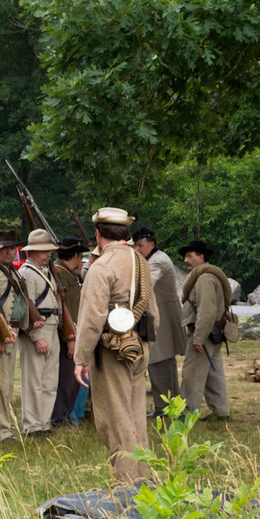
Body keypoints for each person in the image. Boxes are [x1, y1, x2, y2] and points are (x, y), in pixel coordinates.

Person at [74, 207, 158, 485]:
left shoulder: (102, 266)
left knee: (116, 420)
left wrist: (81, 358)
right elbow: (153, 312)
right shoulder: (140, 261)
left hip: (112, 349)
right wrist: (144, 344)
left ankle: (126, 486)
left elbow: (92, 318)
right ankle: (144, 482)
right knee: (136, 418)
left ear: (98, 234)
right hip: (139, 344)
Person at [132, 226, 185, 416]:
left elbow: (146, 284)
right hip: (161, 317)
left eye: (140, 245)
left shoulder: (157, 261)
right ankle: (169, 406)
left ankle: (164, 408)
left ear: (151, 244)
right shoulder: (152, 258)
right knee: (162, 363)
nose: (137, 249)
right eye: (135, 245)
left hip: (163, 319)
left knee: (159, 361)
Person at [0, 229, 33, 443]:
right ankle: (2, 431)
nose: (8, 252)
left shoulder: (10, 270)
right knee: (0, 385)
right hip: (3, 335)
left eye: (11, 248)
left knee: (5, 384)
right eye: (3, 248)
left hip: (13, 332)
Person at [178, 240, 231, 421]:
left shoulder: (204, 278)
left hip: (204, 333)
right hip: (212, 332)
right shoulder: (206, 276)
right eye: (185, 257)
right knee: (212, 374)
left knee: (192, 374)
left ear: (201, 257)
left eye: (190, 256)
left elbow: (206, 311)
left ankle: (186, 414)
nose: (186, 260)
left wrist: (198, 338)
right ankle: (221, 411)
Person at [18, 230, 62, 438]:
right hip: (38, 329)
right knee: (33, 381)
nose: (48, 254)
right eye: (45, 251)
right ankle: (32, 425)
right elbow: (27, 307)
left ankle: (44, 422)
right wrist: (37, 336)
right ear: (34, 251)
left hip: (51, 325)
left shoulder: (44, 271)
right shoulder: (27, 273)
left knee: (49, 380)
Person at [50, 236, 87, 426]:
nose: (81, 259)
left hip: (74, 332)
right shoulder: (60, 272)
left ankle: (64, 415)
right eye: (79, 255)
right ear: (74, 255)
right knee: (66, 378)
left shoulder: (67, 273)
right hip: (67, 334)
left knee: (71, 379)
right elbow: (63, 308)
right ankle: (60, 417)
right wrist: (70, 338)